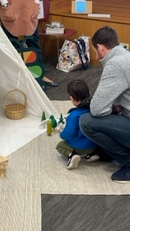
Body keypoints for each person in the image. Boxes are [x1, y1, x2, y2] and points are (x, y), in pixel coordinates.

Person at [79, 26, 130, 183]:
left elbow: (97, 109)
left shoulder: (115, 65)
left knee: (86, 121)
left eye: (95, 51)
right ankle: (108, 152)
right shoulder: (127, 56)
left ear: (100, 48)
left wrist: (113, 109)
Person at [56, 80, 97, 169]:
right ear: (89, 93)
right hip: (94, 144)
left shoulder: (74, 115)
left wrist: (61, 134)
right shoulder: (94, 109)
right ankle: (91, 154)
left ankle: (72, 155)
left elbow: (69, 134)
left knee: (60, 146)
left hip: (79, 147)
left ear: (72, 98)